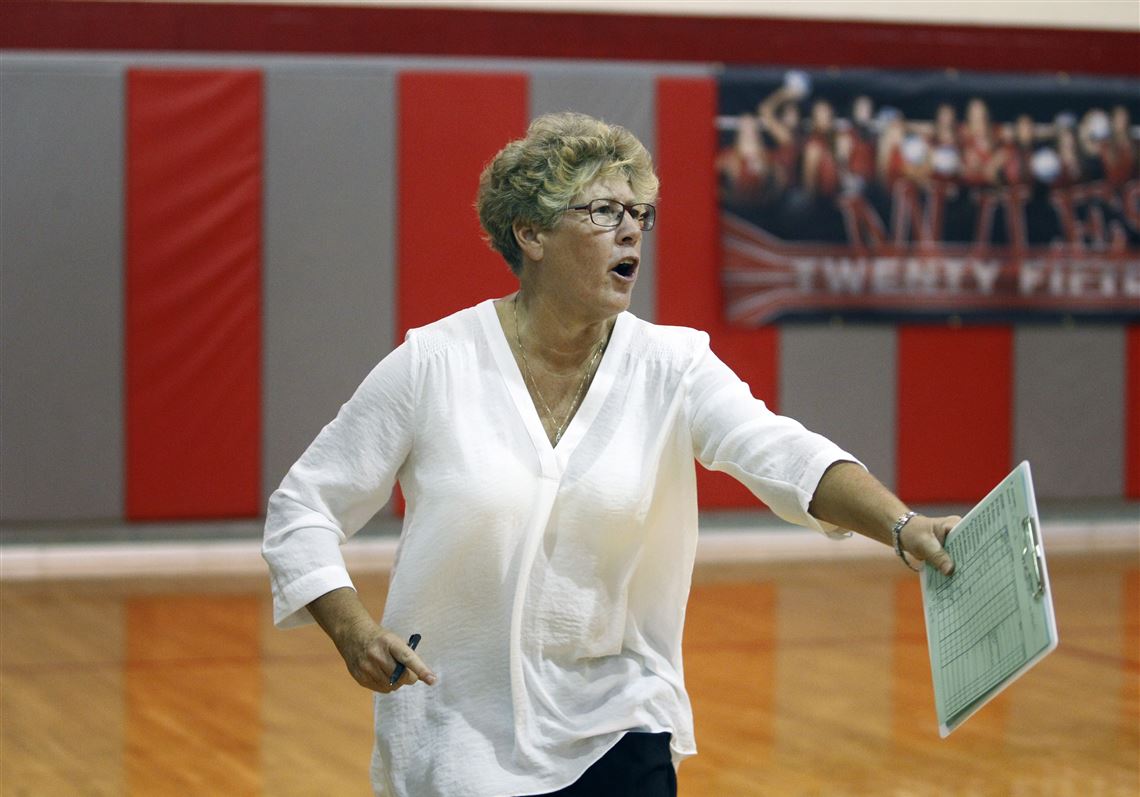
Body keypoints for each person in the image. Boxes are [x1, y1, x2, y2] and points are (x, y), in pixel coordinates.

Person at [262, 111, 959, 797]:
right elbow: (303, 508)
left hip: (621, 720)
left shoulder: (672, 364)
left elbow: (780, 451)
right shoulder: (434, 364)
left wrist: (901, 525)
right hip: (454, 734)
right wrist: (350, 627)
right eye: (602, 210)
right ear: (530, 232)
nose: (631, 229)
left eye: (640, 213)